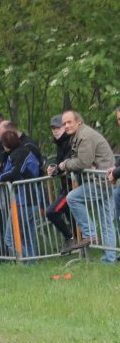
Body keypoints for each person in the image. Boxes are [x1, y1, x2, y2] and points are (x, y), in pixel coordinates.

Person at [53, 110, 116, 263]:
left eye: (69, 122)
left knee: (72, 198)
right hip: (103, 180)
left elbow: (83, 162)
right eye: (64, 123)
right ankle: (110, 259)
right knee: (106, 221)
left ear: (78, 121)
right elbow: (84, 161)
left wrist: (64, 164)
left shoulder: (84, 136)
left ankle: (90, 234)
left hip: (100, 181)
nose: (66, 126)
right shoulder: (79, 135)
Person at [0, 129, 42, 261]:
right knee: (28, 236)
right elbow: (11, 171)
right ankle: (32, 265)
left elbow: (15, 173)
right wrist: (0, 171)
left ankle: (25, 260)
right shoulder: (17, 153)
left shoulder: (19, 154)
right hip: (29, 200)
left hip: (24, 201)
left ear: (5, 145)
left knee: (9, 238)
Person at [45, 114, 76, 253]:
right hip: (67, 187)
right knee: (74, 219)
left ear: (65, 127)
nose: (55, 130)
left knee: (51, 212)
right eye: (53, 128)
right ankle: (78, 244)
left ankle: (70, 239)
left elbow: (70, 163)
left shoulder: (70, 141)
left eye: (57, 127)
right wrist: (52, 168)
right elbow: (61, 165)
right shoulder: (60, 143)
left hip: (72, 187)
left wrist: (58, 168)